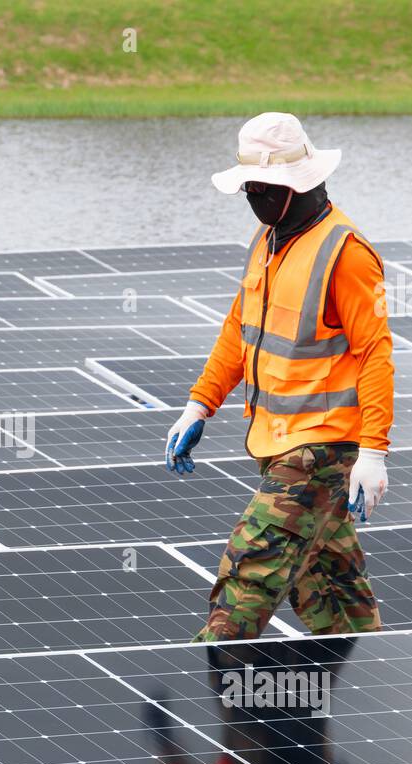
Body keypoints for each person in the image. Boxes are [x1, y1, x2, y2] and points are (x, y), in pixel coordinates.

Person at [165, 112, 394, 642]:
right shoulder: (267, 239)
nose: (254, 199)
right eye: (249, 189)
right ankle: (377, 698)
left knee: (251, 568)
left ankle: (205, 697)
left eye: (264, 189)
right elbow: (237, 328)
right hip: (277, 441)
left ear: (299, 185)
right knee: (333, 588)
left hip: (322, 446)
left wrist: (374, 452)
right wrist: (200, 404)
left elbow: (375, 353)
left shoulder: (347, 254)